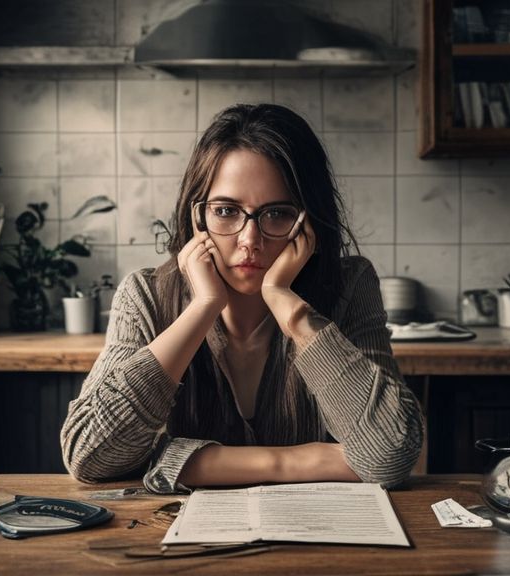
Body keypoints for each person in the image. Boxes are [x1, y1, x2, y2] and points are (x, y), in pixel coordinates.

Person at [61, 103, 423, 494]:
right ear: (197, 216)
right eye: (226, 211)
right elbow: (90, 457)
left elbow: (390, 454)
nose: (249, 241)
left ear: (310, 221)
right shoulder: (145, 295)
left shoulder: (350, 286)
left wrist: (290, 309)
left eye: (278, 214)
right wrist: (202, 308)